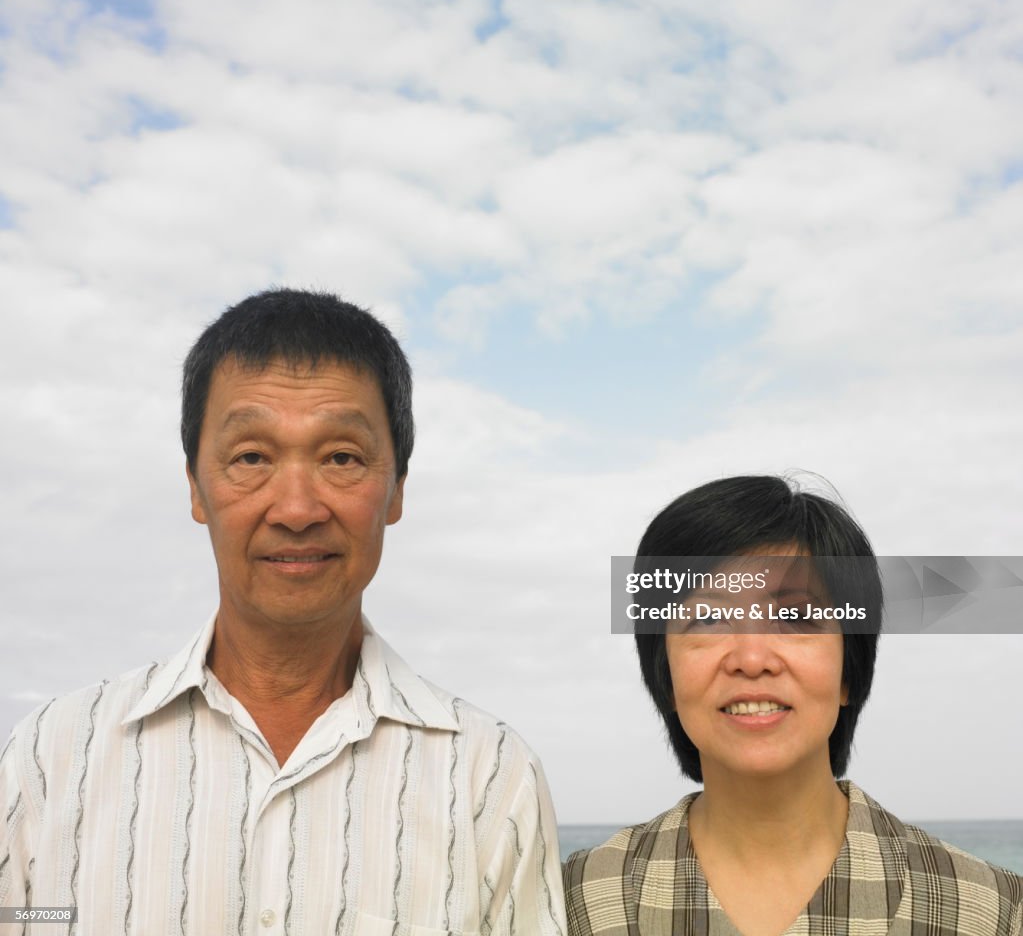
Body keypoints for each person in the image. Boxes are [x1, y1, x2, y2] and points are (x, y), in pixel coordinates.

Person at [0, 288, 566, 934]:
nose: (296, 509)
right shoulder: (52, 755)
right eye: (251, 458)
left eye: (341, 458)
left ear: (395, 492)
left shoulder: (488, 777)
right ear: (195, 488)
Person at [564, 475, 1023, 936]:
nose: (752, 659)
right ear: (665, 672)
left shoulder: (991, 909)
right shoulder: (574, 903)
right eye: (706, 618)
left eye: (796, 616)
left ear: (848, 669)